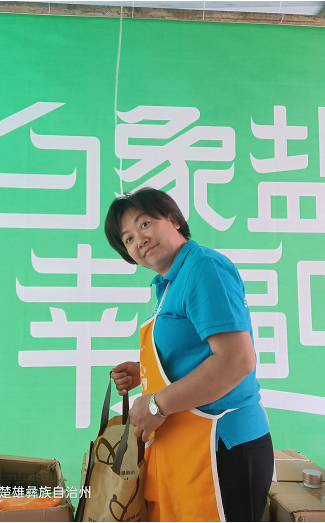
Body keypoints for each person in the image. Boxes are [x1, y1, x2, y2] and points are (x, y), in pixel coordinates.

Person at [104, 187, 273, 522]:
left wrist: (156, 404)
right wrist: (145, 371)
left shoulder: (203, 268)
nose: (139, 240)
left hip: (221, 449)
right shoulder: (169, 283)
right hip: (188, 447)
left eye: (144, 224)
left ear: (174, 220)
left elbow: (236, 360)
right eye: (128, 239)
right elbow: (198, 352)